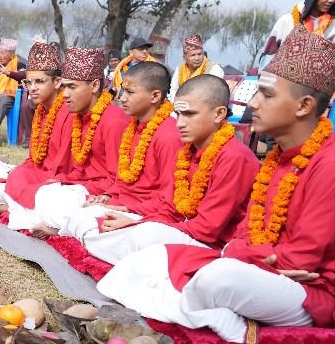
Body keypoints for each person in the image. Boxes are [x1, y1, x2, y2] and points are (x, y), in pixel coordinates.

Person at [99, 28, 335, 342]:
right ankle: (206, 314)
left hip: (315, 294)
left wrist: (239, 253)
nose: (252, 103)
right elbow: (244, 234)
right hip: (257, 266)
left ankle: (227, 323)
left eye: (266, 94)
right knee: (145, 261)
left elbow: (300, 260)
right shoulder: (278, 158)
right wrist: (241, 250)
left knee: (218, 278)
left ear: (304, 106)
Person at [65, 74, 258, 265]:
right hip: (174, 227)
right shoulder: (189, 149)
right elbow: (169, 205)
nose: (180, 123)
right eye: (179, 114)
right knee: (88, 220)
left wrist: (136, 222)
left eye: (189, 114)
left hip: (215, 247)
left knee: (143, 236)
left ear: (219, 114)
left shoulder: (233, 157)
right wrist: (122, 209)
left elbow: (207, 229)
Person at [60, 61, 182, 243]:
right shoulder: (133, 128)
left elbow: (169, 203)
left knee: (87, 222)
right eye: (123, 91)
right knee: (77, 213)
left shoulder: (169, 135)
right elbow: (122, 181)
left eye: (130, 92)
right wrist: (107, 197)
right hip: (125, 204)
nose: (122, 98)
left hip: (148, 214)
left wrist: (124, 208)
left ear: (155, 96)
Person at [28, 47, 131, 235]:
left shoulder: (113, 120)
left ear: (94, 86)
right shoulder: (79, 117)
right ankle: (63, 226)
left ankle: (61, 228)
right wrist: (63, 181)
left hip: (102, 195)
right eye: (64, 86)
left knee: (57, 202)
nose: (65, 93)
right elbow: (78, 171)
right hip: (83, 189)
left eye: (72, 87)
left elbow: (119, 180)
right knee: (46, 194)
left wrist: (101, 195)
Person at [0, 42, 65, 214]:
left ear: (57, 82)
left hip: (53, 185)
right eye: (29, 82)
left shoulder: (66, 113)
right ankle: (15, 200)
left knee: (1, 193)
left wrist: (26, 181)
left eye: (40, 82)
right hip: (34, 176)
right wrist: (19, 175)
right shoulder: (41, 110)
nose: (32, 88)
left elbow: (63, 172)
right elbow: (34, 160)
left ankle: (15, 205)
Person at [170, 35, 224, 99]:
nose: (197, 58)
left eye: (199, 54)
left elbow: (213, 93)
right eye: (193, 55)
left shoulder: (214, 68)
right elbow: (173, 90)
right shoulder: (180, 68)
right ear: (184, 58)